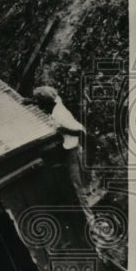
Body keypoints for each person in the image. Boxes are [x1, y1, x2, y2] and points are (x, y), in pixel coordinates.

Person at [33, 86, 94, 225]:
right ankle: (88, 216)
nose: (39, 105)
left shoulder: (60, 114)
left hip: (73, 150)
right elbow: (49, 99)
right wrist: (32, 101)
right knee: (77, 185)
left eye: (39, 102)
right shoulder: (56, 103)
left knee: (77, 186)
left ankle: (90, 220)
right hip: (71, 148)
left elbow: (81, 132)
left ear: (46, 102)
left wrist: (63, 129)